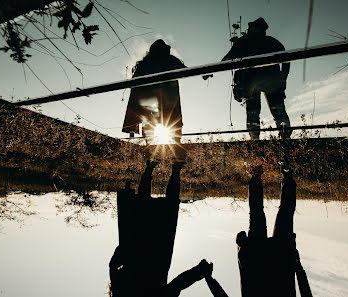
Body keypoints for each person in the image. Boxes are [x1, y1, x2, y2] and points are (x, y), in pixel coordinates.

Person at [109, 160, 225, 297]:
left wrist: (200, 272)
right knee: (149, 204)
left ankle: (165, 169)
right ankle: (161, 169)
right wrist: (199, 272)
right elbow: (177, 285)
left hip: (149, 253)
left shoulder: (120, 294)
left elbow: (177, 285)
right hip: (151, 253)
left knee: (154, 205)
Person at [236, 164, 313, 297]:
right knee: (262, 214)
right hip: (268, 260)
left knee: (280, 213)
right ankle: (276, 175)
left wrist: (298, 265)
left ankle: (270, 174)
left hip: (269, 260)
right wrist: (298, 265)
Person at [222, 17, 291, 139]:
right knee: (278, 110)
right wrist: (283, 77)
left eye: (249, 27)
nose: (247, 29)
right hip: (272, 81)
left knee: (253, 113)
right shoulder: (272, 41)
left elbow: (227, 58)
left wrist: (211, 71)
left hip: (250, 82)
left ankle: (255, 141)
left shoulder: (243, 41)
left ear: (254, 28)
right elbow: (286, 59)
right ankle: (286, 138)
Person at [123, 39, 186, 143]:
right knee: (171, 126)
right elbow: (185, 70)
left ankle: (153, 155)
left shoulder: (146, 63)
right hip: (162, 102)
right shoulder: (167, 60)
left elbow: (134, 83)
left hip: (155, 102)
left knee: (152, 127)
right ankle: (175, 156)